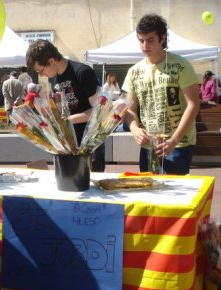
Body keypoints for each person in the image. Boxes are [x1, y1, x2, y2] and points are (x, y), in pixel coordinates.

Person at [121, 13, 200, 175]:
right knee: (149, 194)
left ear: (162, 38)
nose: (145, 46)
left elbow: (193, 105)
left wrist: (174, 139)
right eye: (141, 40)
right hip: (148, 144)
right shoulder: (134, 71)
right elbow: (129, 109)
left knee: (174, 195)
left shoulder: (180, 65)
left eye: (150, 40)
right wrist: (135, 129)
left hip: (178, 144)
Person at [26, 39, 105, 172]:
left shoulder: (82, 72)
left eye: (41, 70)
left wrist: (67, 121)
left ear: (51, 61)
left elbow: (99, 112)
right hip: (66, 143)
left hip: (89, 142)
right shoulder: (53, 77)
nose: (41, 75)